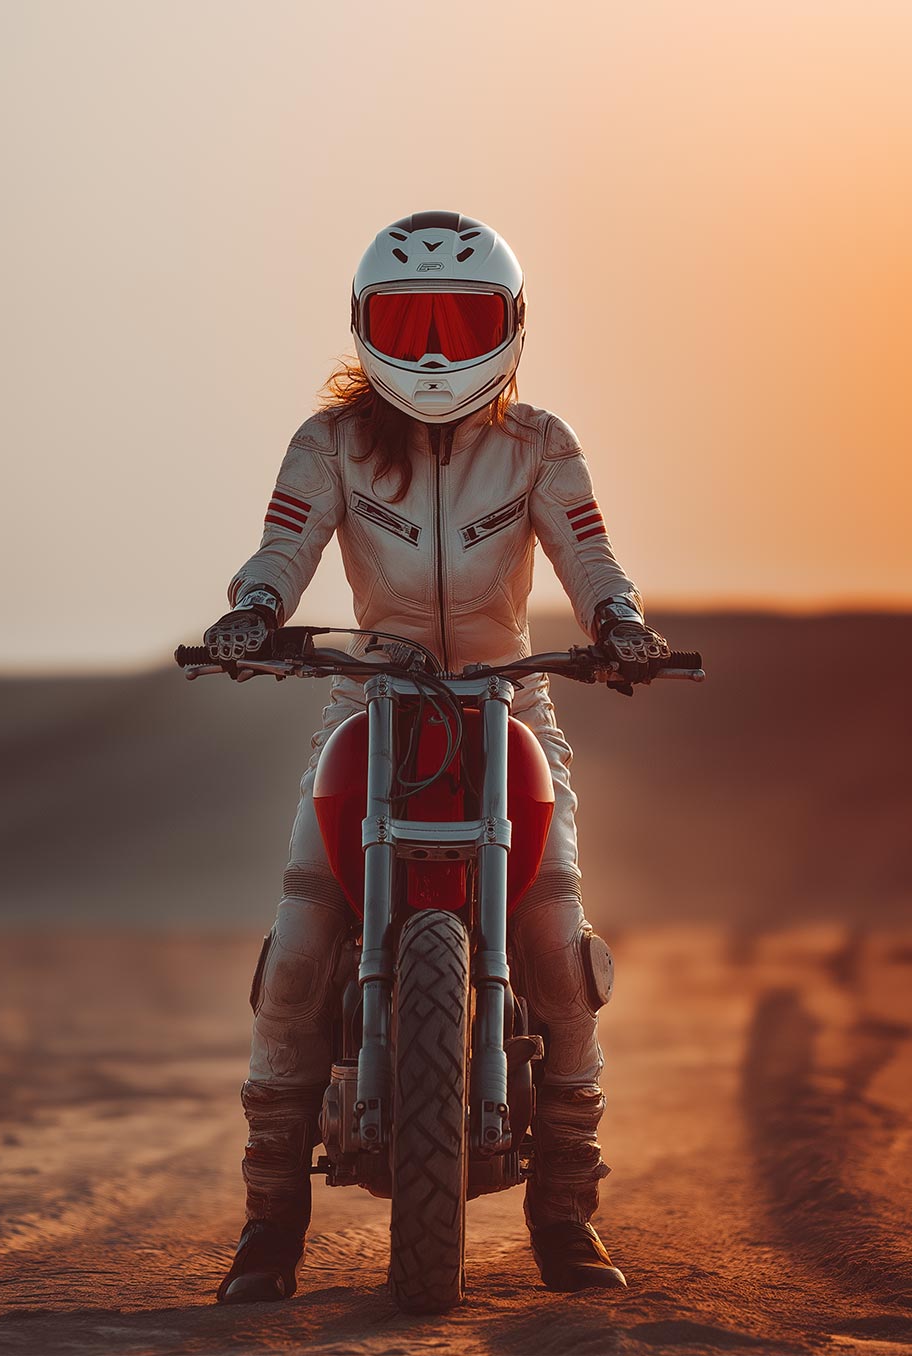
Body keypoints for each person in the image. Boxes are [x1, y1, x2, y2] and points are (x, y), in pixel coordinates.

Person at [205, 211, 670, 1304]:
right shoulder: (327, 444)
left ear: (507, 328)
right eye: (406, 320)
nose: (428, 350)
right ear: (363, 327)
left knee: (558, 952)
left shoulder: (540, 445)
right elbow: (281, 547)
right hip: (367, 700)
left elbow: (592, 561)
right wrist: (255, 608)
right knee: (301, 947)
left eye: (457, 320)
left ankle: (563, 1213)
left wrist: (620, 628)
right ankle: (268, 1224)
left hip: (510, 704)